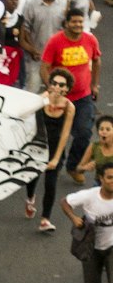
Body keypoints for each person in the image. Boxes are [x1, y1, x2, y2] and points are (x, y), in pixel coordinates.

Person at [40, 9, 102, 178]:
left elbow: (96, 61)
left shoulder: (90, 40)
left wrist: (95, 84)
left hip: (83, 96)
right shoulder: (55, 41)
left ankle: (72, 166)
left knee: (84, 133)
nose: (78, 25)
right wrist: (51, 89)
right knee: (56, 134)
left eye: (81, 22)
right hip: (60, 98)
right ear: (66, 23)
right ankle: (54, 161)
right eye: (74, 21)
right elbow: (44, 67)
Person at [61, 160, 113, 283]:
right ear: (101, 178)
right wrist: (74, 218)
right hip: (91, 248)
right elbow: (65, 202)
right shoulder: (90, 196)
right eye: (110, 177)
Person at [25, 72, 75, 233]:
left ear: (67, 89)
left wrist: (56, 158)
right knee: (32, 178)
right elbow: (26, 111)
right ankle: (30, 198)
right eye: (54, 83)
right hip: (38, 146)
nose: (57, 87)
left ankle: (45, 219)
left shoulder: (69, 107)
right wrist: (44, 98)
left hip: (55, 148)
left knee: (50, 183)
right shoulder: (41, 100)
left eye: (61, 85)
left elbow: (65, 134)